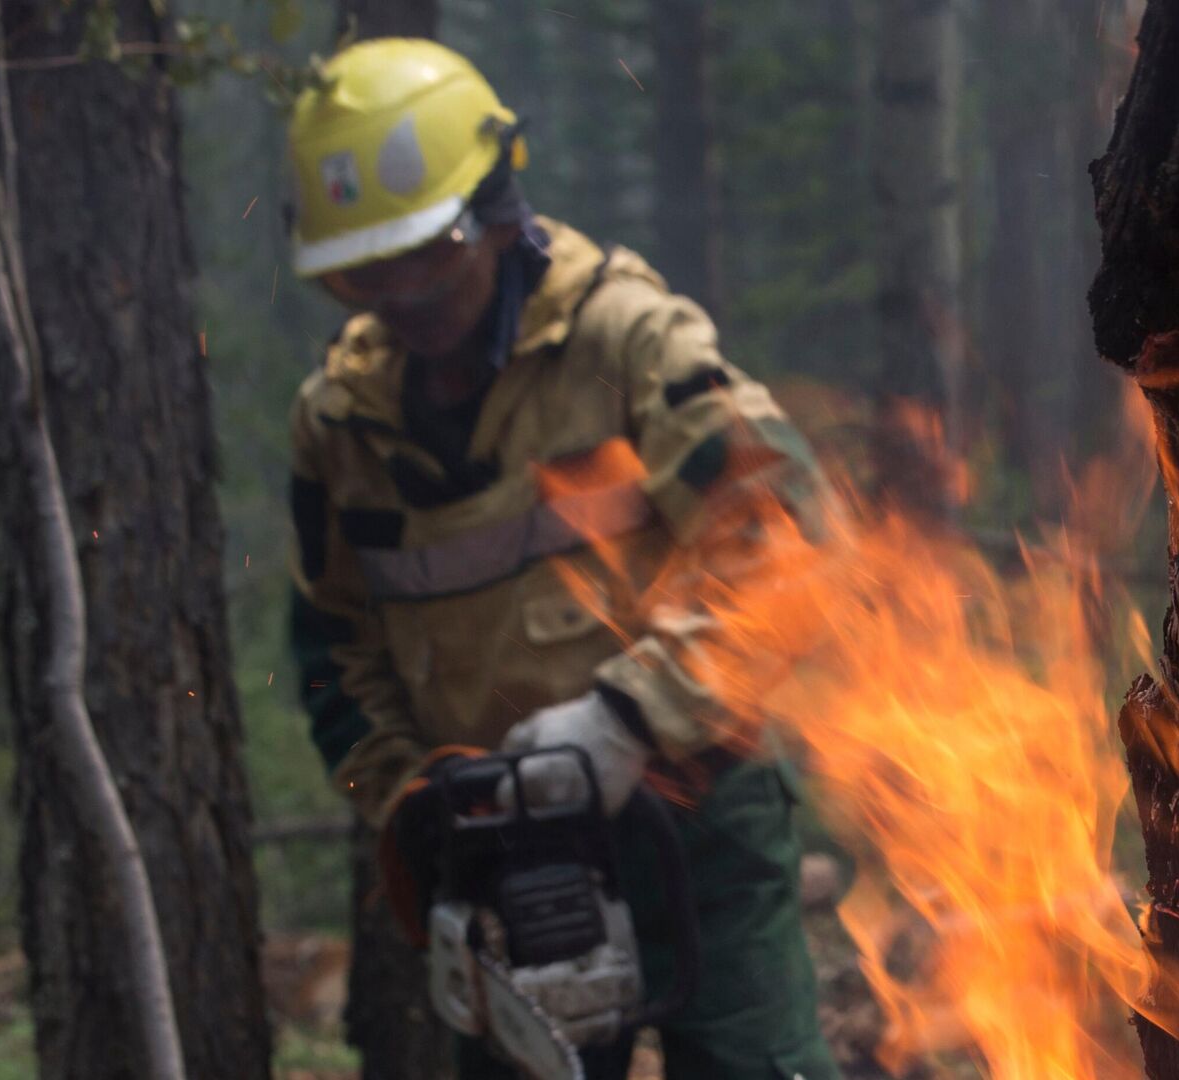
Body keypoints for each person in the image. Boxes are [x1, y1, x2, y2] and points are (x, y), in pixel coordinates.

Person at [282, 38, 841, 1079]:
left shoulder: (627, 344)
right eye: (367, 272)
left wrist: (627, 719)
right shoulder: (340, 425)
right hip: (491, 845)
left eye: (421, 258)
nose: (399, 296)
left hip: (692, 816)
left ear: (493, 214)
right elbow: (330, 651)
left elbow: (790, 541)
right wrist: (415, 802)